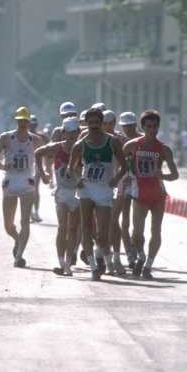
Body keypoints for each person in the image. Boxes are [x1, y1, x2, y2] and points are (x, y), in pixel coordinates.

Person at [67, 106, 127, 281]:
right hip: (86, 189)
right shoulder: (80, 144)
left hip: (104, 190)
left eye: (96, 122)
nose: (93, 125)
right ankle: (94, 266)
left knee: (102, 233)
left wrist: (115, 179)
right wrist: (77, 178)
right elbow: (71, 167)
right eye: (90, 122)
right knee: (86, 228)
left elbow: (125, 166)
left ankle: (105, 262)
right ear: (86, 123)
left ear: (102, 123)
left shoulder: (112, 142)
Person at [124, 108, 179, 279]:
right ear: (143, 127)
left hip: (157, 195)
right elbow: (121, 166)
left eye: (155, 126)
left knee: (156, 231)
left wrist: (161, 175)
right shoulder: (131, 146)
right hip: (139, 194)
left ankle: (148, 265)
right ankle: (140, 256)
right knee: (137, 233)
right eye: (149, 126)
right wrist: (126, 177)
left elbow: (175, 175)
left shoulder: (164, 149)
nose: (152, 130)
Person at [0, 105, 43, 268]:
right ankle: (17, 240)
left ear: (29, 121)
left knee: (25, 222)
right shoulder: (6, 138)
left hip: (27, 182)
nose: (23, 123)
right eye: (20, 120)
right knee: (8, 225)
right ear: (16, 120)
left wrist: (44, 174)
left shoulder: (35, 140)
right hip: (10, 181)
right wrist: (3, 166)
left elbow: (40, 162)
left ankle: (18, 257)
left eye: (25, 120)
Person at [35, 115, 81, 276]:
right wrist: (42, 174)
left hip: (77, 193)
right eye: (68, 132)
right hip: (62, 192)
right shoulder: (56, 147)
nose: (71, 136)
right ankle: (61, 262)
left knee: (73, 229)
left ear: (78, 132)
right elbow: (37, 153)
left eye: (74, 132)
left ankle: (68, 263)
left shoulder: (83, 147)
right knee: (62, 227)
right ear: (62, 133)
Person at [110, 111, 139, 275]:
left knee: (131, 222)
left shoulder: (141, 140)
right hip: (121, 183)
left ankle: (132, 252)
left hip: (137, 183)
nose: (127, 129)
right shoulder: (117, 140)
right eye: (124, 126)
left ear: (135, 125)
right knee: (117, 220)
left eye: (130, 126)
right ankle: (128, 254)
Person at [29, 114, 48, 221]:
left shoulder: (41, 136)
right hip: (27, 166)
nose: (32, 126)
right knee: (28, 189)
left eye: (34, 124)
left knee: (35, 188)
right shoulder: (23, 136)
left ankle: (35, 212)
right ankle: (29, 211)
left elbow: (50, 144)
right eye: (31, 124)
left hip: (37, 164)